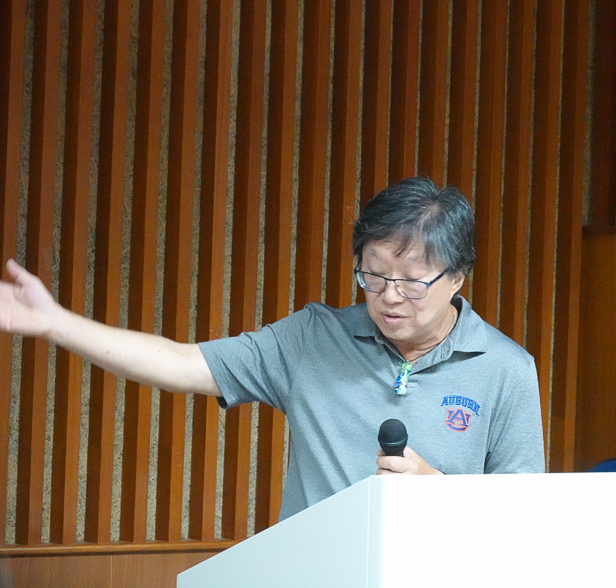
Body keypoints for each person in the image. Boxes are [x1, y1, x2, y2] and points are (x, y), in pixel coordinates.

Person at [0, 176, 545, 520]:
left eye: (412, 282)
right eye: (374, 275)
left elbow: (524, 519)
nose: (389, 297)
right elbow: (183, 363)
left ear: (457, 278)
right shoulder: (313, 339)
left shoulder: (506, 369)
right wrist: (55, 323)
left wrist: (439, 491)